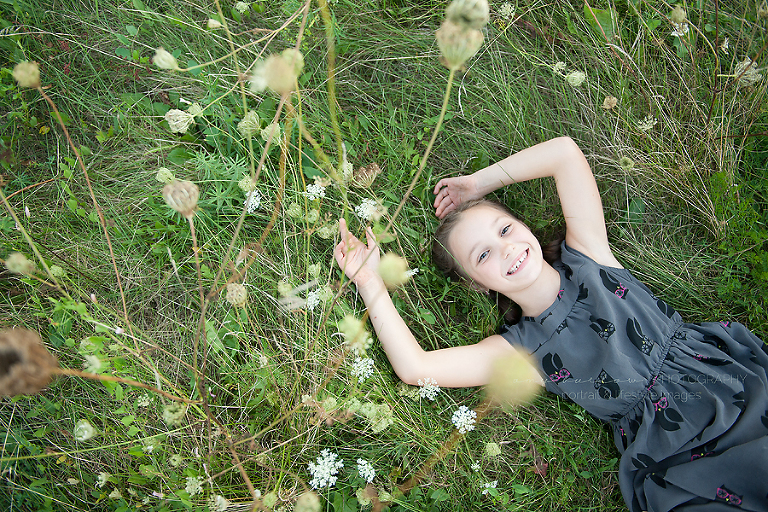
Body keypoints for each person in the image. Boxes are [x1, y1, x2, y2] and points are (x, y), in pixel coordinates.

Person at [334, 137, 768, 511]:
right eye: (482, 256)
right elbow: (415, 367)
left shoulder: (589, 256)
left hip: (719, 382)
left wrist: (479, 184)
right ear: (476, 285)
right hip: (671, 447)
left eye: (504, 230)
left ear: (524, 225)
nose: (505, 250)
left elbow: (564, 154)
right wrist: (370, 282)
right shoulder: (519, 350)